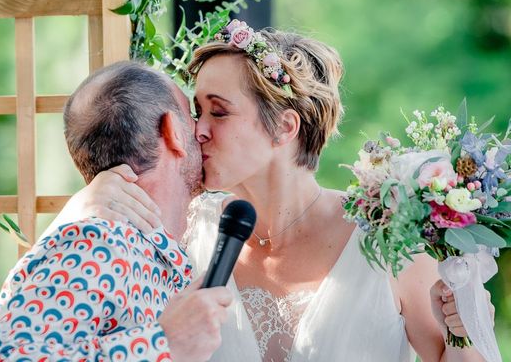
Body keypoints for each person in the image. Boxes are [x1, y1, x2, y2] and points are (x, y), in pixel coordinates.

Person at [71, 22, 493, 361]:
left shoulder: (388, 240)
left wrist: (461, 332)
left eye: (218, 111)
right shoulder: (182, 231)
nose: (197, 129)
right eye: (197, 111)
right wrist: (87, 202)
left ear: (285, 128)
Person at [0, 61, 233, 362]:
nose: (201, 130)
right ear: (172, 131)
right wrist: (163, 345)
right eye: (191, 115)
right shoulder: (97, 246)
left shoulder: (148, 250)